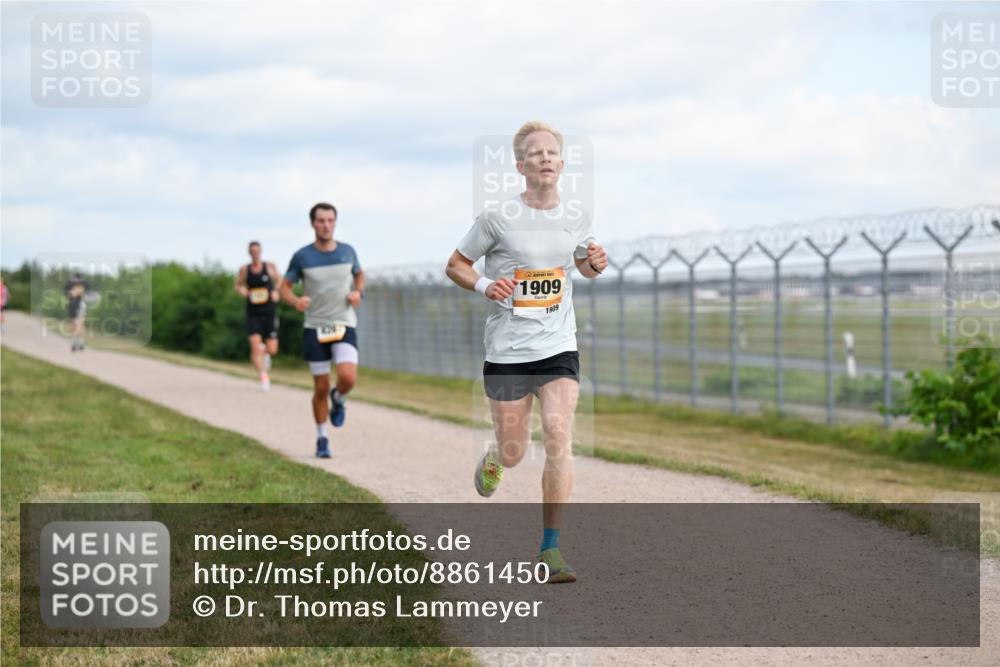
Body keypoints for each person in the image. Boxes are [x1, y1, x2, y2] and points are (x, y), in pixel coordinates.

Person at [445, 121, 608, 583]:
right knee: (516, 451)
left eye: (552, 152)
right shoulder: (497, 218)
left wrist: (592, 265)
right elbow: (455, 264)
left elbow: (578, 263)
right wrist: (483, 284)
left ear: (562, 163)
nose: (545, 158)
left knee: (558, 433)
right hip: (508, 349)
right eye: (535, 153)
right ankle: (497, 457)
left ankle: (550, 549)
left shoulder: (576, 216)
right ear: (520, 165)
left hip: (558, 345)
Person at [280, 203, 364, 459]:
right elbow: (283, 287)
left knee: (348, 378)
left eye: (330, 220)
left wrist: (357, 292)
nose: (326, 225)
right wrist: (295, 301)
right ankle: (322, 438)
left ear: (335, 223)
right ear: (313, 224)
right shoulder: (302, 256)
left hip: (343, 323)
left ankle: (338, 398)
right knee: (320, 387)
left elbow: (359, 276)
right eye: (321, 221)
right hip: (315, 327)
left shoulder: (348, 251)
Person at [234, 241, 281, 390]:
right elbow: (237, 285)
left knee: (272, 349)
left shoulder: (269, 267)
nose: (255, 253)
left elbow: (280, 281)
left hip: (269, 312)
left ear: (260, 251)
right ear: (249, 252)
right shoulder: (245, 269)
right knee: (255, 345)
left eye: (257, 251)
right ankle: (263, 377)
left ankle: (266, 354)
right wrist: (243, 291)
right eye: (252, 251)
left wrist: (275, 291)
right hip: (253, 312)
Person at [64, 272, 88, 351]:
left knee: (79, 323)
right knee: (74, 323)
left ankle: (79, 343)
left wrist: (74, 293)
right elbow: (70, 294)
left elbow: (79, 293)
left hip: (79, 305)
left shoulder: (82, 283)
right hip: (73, 305)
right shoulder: (70, 284)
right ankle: (76, 342)